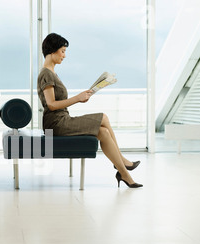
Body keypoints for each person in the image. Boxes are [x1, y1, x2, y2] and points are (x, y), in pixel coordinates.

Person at [37, 33, 142, 188]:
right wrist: (77, 98)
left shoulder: (52, 73)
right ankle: (123, 162)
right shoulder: (46, 73)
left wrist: (83, 96)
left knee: (103, 133)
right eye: (62, 51)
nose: (64, 56)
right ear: (52, 51)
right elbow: (51, 105)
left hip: (62, 119)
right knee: (104, 117)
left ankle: (123, 173)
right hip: (56, 123)